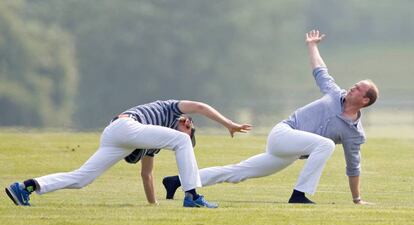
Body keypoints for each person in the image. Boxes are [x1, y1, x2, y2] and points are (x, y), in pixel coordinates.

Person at [162, 30, 379, 204]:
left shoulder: (354, 133)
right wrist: (312, 45)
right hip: (283, 133)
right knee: (326, 145)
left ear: (365, 100)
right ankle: (299, 195)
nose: (353, 87)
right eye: (355, 84)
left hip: (291, 152)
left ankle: (176, 182)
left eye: (358, 88)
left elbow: (353, 166)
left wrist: (356, 199)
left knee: (238, 172)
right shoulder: (334, 93)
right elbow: (320, 70)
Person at [5, 100, 252, 208]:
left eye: (190, 128)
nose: (188, 125)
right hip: (125, 126)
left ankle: (26, 187)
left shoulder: (155, 139)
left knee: (82, 178)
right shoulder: (171, 109)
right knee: (179, 141)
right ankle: (193, 196)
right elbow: (199, 107)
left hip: (115, 132)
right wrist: (228, 124)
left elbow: (147, 175)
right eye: (189, 126)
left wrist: (153, 205)